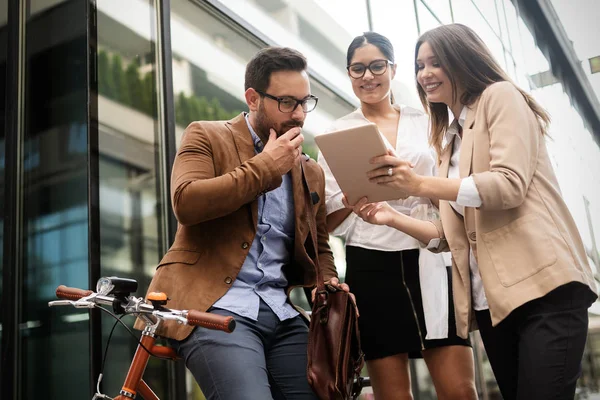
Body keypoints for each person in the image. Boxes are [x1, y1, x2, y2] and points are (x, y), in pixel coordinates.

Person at [347, 24, 598, 400]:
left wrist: (416, 184)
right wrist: (391, 217)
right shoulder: (447, 140)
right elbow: (452, 236)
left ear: (462, 59)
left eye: (435, 62)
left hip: (543, 289)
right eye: (420, 65)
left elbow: (508, 185)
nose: (425, 74)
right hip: (492, 304)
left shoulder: (500, 97)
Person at [138, 46, 350, 400]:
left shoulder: (310, 171)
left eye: (304, 102)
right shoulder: (206, 135)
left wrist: (328, 287)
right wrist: (268, 166)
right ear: (253, 98)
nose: (298, 114)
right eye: (286, 102)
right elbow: (186, 203)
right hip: (211, 309)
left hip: (281, 313)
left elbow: (320, 245)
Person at [317, 32, 477, 400]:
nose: (368, 76)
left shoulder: (428, 120)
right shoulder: (335, 133)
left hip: (431, 254)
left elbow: (453, 191)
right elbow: (325, 222)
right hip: (371, 263)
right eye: (358, 69)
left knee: (460, 390)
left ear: (392, 69)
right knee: (392, 395)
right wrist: (351, 196)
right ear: (348, 73)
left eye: (377, 66)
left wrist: (413, 182)